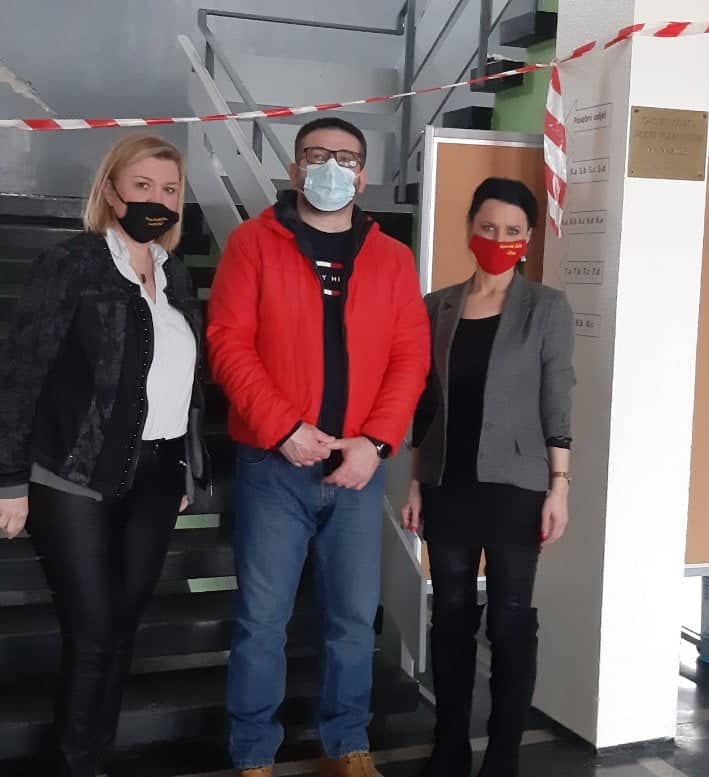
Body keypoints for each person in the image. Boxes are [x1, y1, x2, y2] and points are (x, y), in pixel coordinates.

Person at [208, 116, 431, 777]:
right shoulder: (253, 244)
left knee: (353, 620)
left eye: (346, 158)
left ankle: (347, 744)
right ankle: (253, 753)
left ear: (363, 177)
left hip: (357, 473)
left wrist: (377, 443)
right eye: (316, 154)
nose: (331, 167)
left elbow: (410, 357)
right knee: (261, 620)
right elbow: (228, 343)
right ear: (294, 168)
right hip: (273, 467)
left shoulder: (392, 258)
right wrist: (282, 428)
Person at [0, 133, 210, 777]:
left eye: (169, 189)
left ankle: (93, 757)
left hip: (158, 478)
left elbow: (189, 379)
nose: (157, 199)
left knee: (122, 628)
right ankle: (79, 764)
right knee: (94, 631)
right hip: (75, 474)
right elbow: (21, 372)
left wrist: (188, 463)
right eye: (142, 186)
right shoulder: (71, 264)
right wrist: (8, 479)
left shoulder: (175, 275)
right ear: (111, 192)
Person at [400, 178, 575, 777]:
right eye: (488, 227)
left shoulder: (545, 308)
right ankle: (449, 746)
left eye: (512, 231)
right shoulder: (437, 306)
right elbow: (424, 403)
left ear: (528, 238)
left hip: (517, 485)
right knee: (449, 615)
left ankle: (503, 756)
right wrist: (416, 481)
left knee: (509, 618)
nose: (499, 239)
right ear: (471, 227)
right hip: (447, 481)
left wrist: (559, 485)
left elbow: (556, 400)